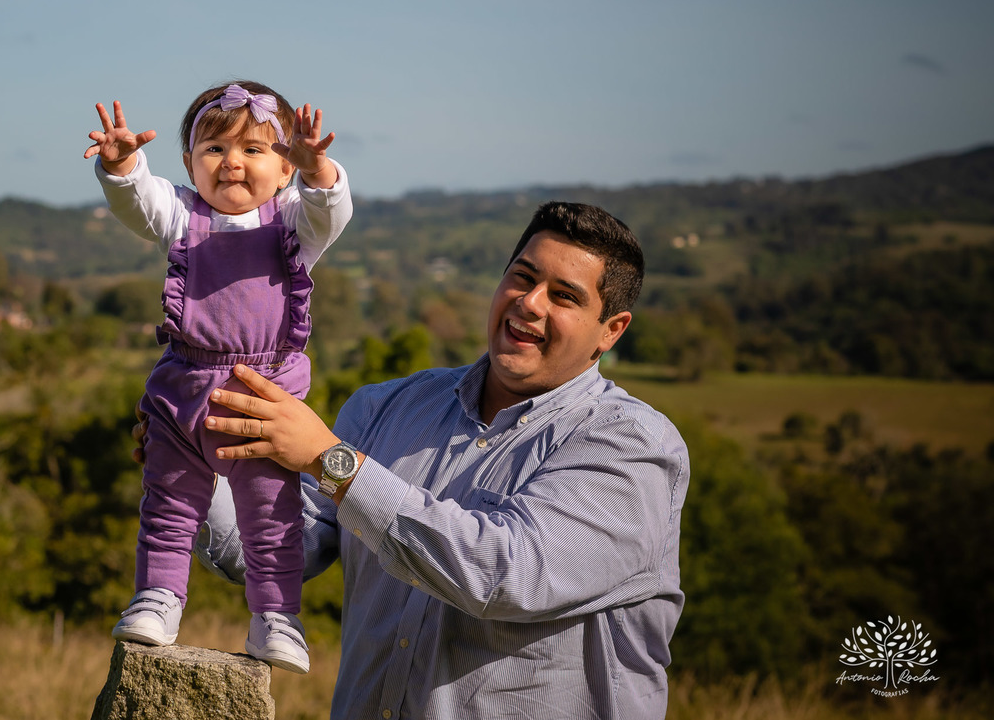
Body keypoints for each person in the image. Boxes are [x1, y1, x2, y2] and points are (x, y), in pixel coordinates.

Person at [169, 200, 690, 718]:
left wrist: (330, 460)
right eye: (522, 276)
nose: (530, 303)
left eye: (564, 296)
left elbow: (502, 574)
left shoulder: (633, 448)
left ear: (611, 330)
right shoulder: (385, 408)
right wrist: (196, 466)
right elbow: (279, 548)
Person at [84, 80, 353, 674]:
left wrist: (320, 171)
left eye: (254, 150)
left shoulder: (291, 223)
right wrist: (124, 163)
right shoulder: (183, 215)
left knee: (271, 513)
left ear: (285, 166)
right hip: (181, 390)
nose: (231, 161)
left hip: (261, 394)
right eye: (213, 149)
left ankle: (276, 619)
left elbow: (329, 211)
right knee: (169, 503)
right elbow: (140, 201)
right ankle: (158, 598)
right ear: (189, 164)